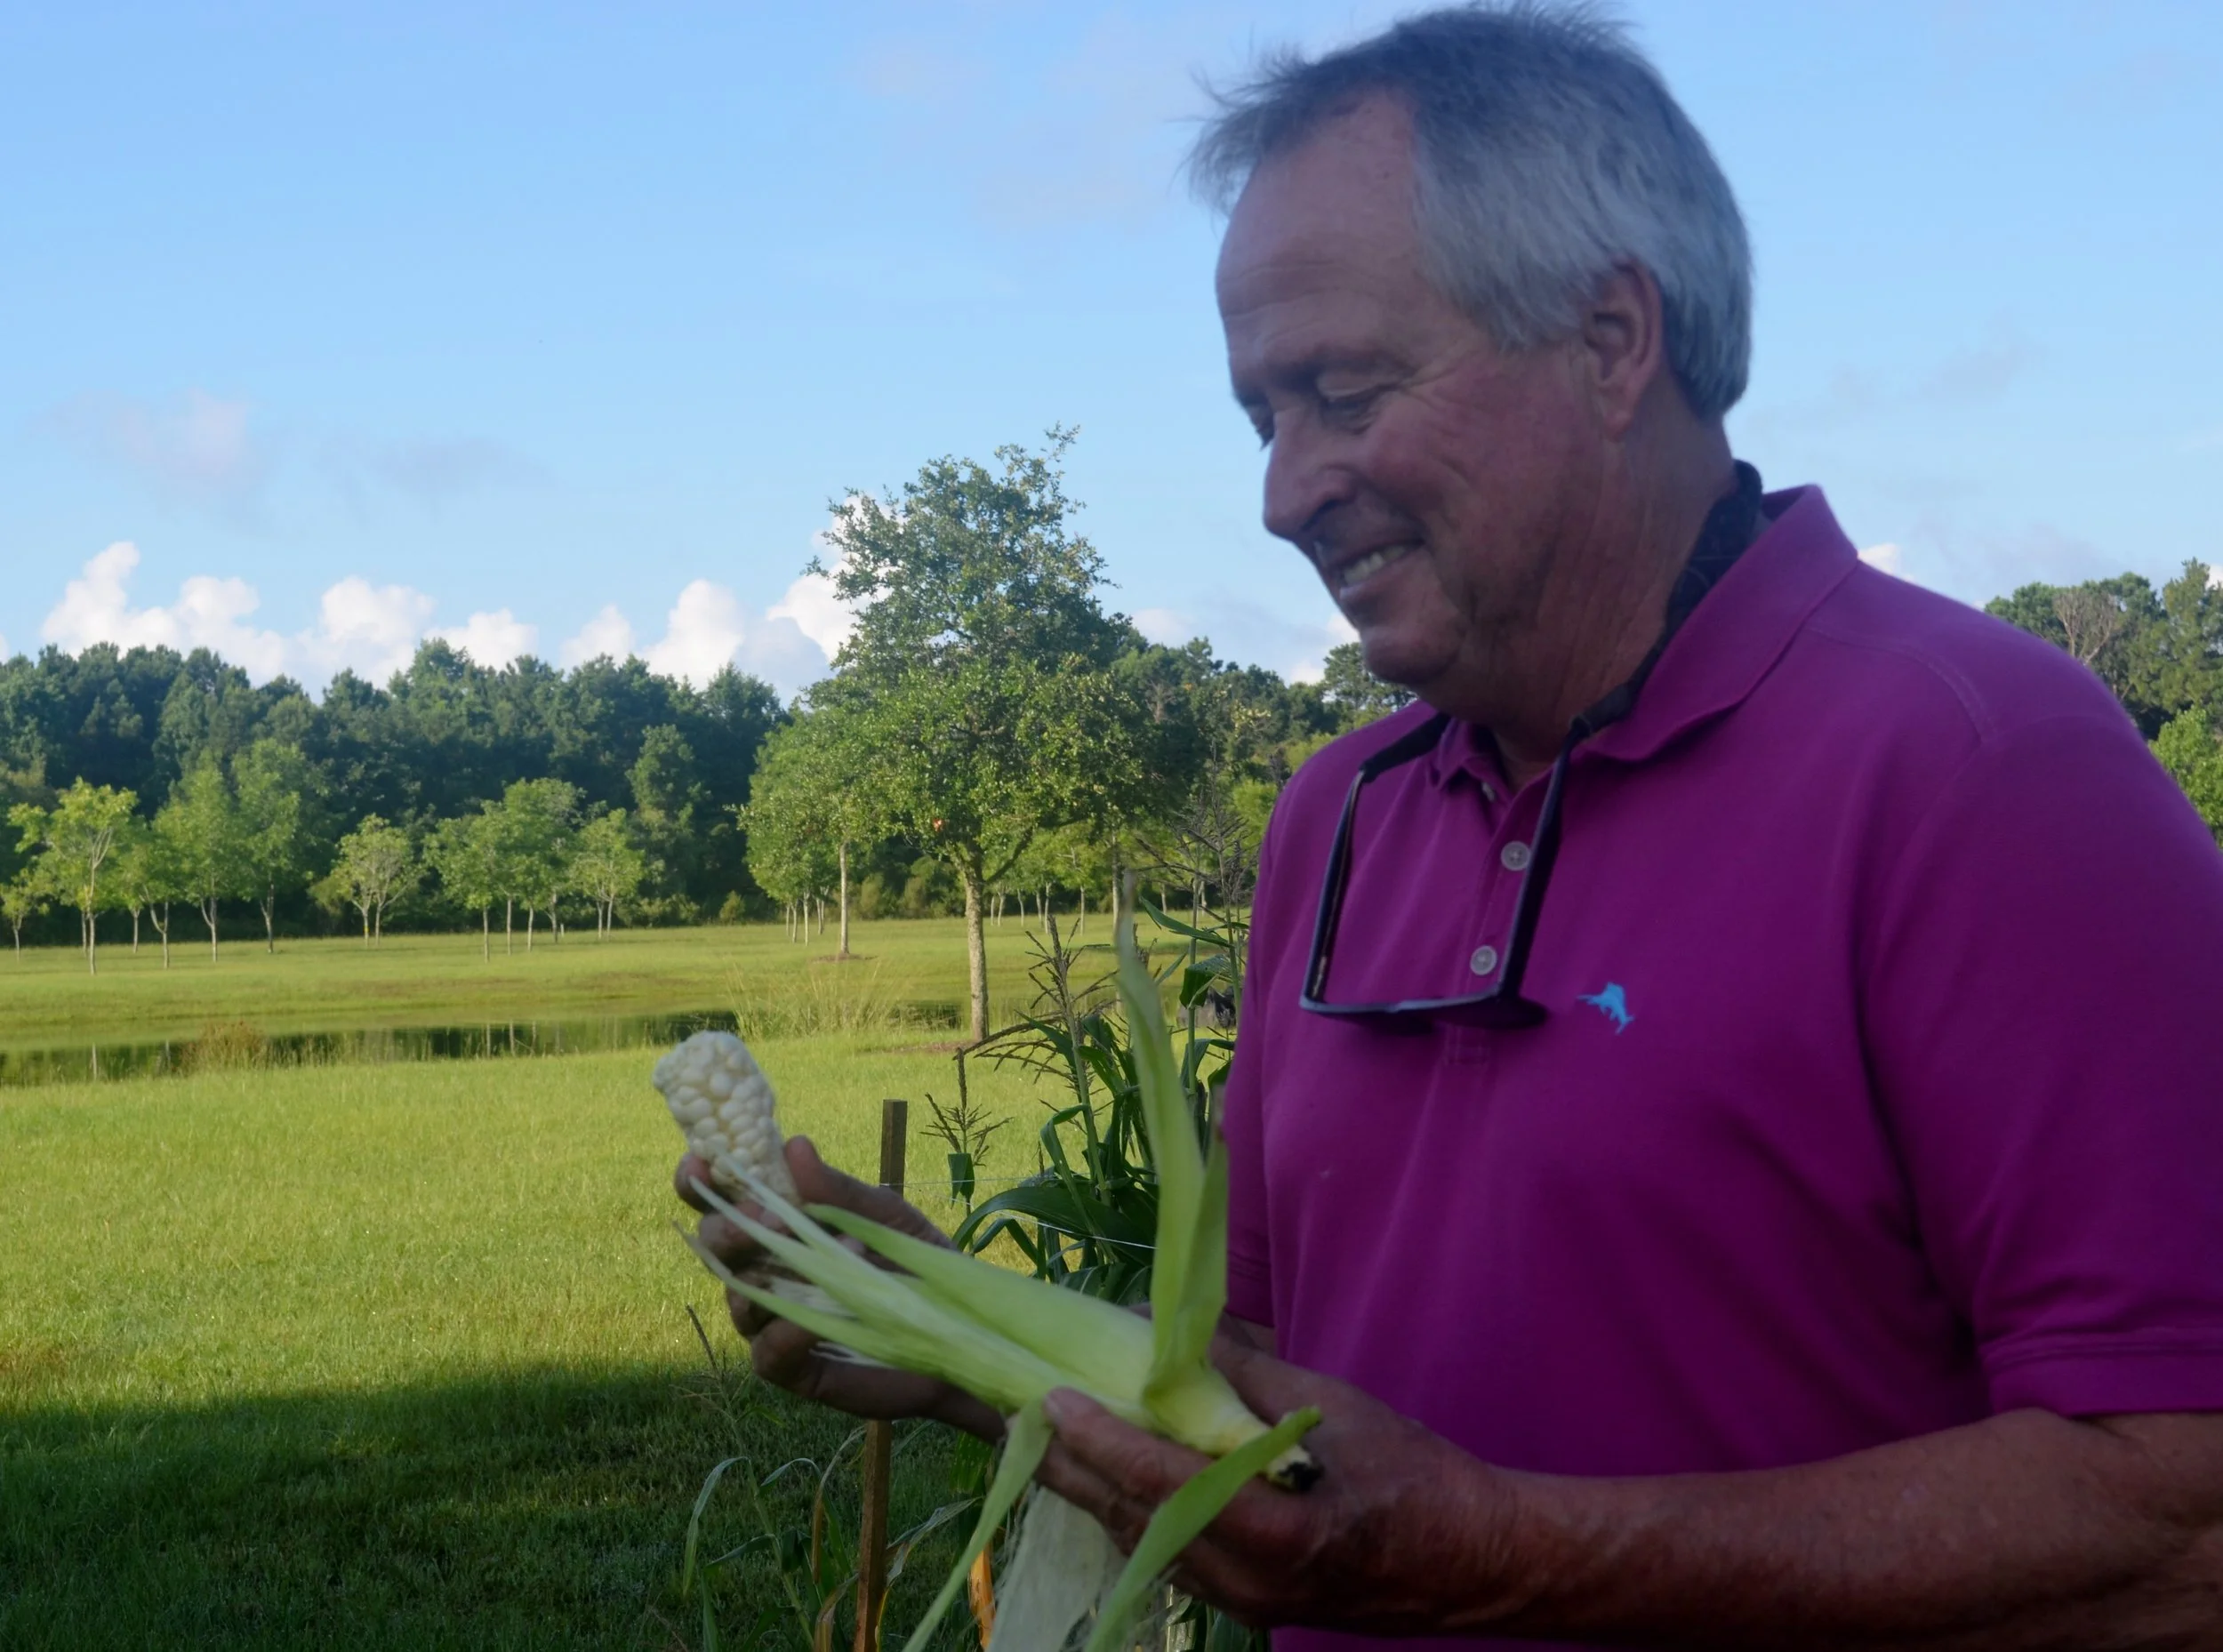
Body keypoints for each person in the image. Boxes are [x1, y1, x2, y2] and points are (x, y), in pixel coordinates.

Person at [681, 7, 2223, 1645]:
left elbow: (2182, 1509)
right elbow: (1266, 1429)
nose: (1284, 491)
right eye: (1261, 418)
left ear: (1614, 338)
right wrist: (963, 1342)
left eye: (1340, 391)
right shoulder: (1333, 822)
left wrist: (1504, 1554)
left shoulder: (1980, 769)